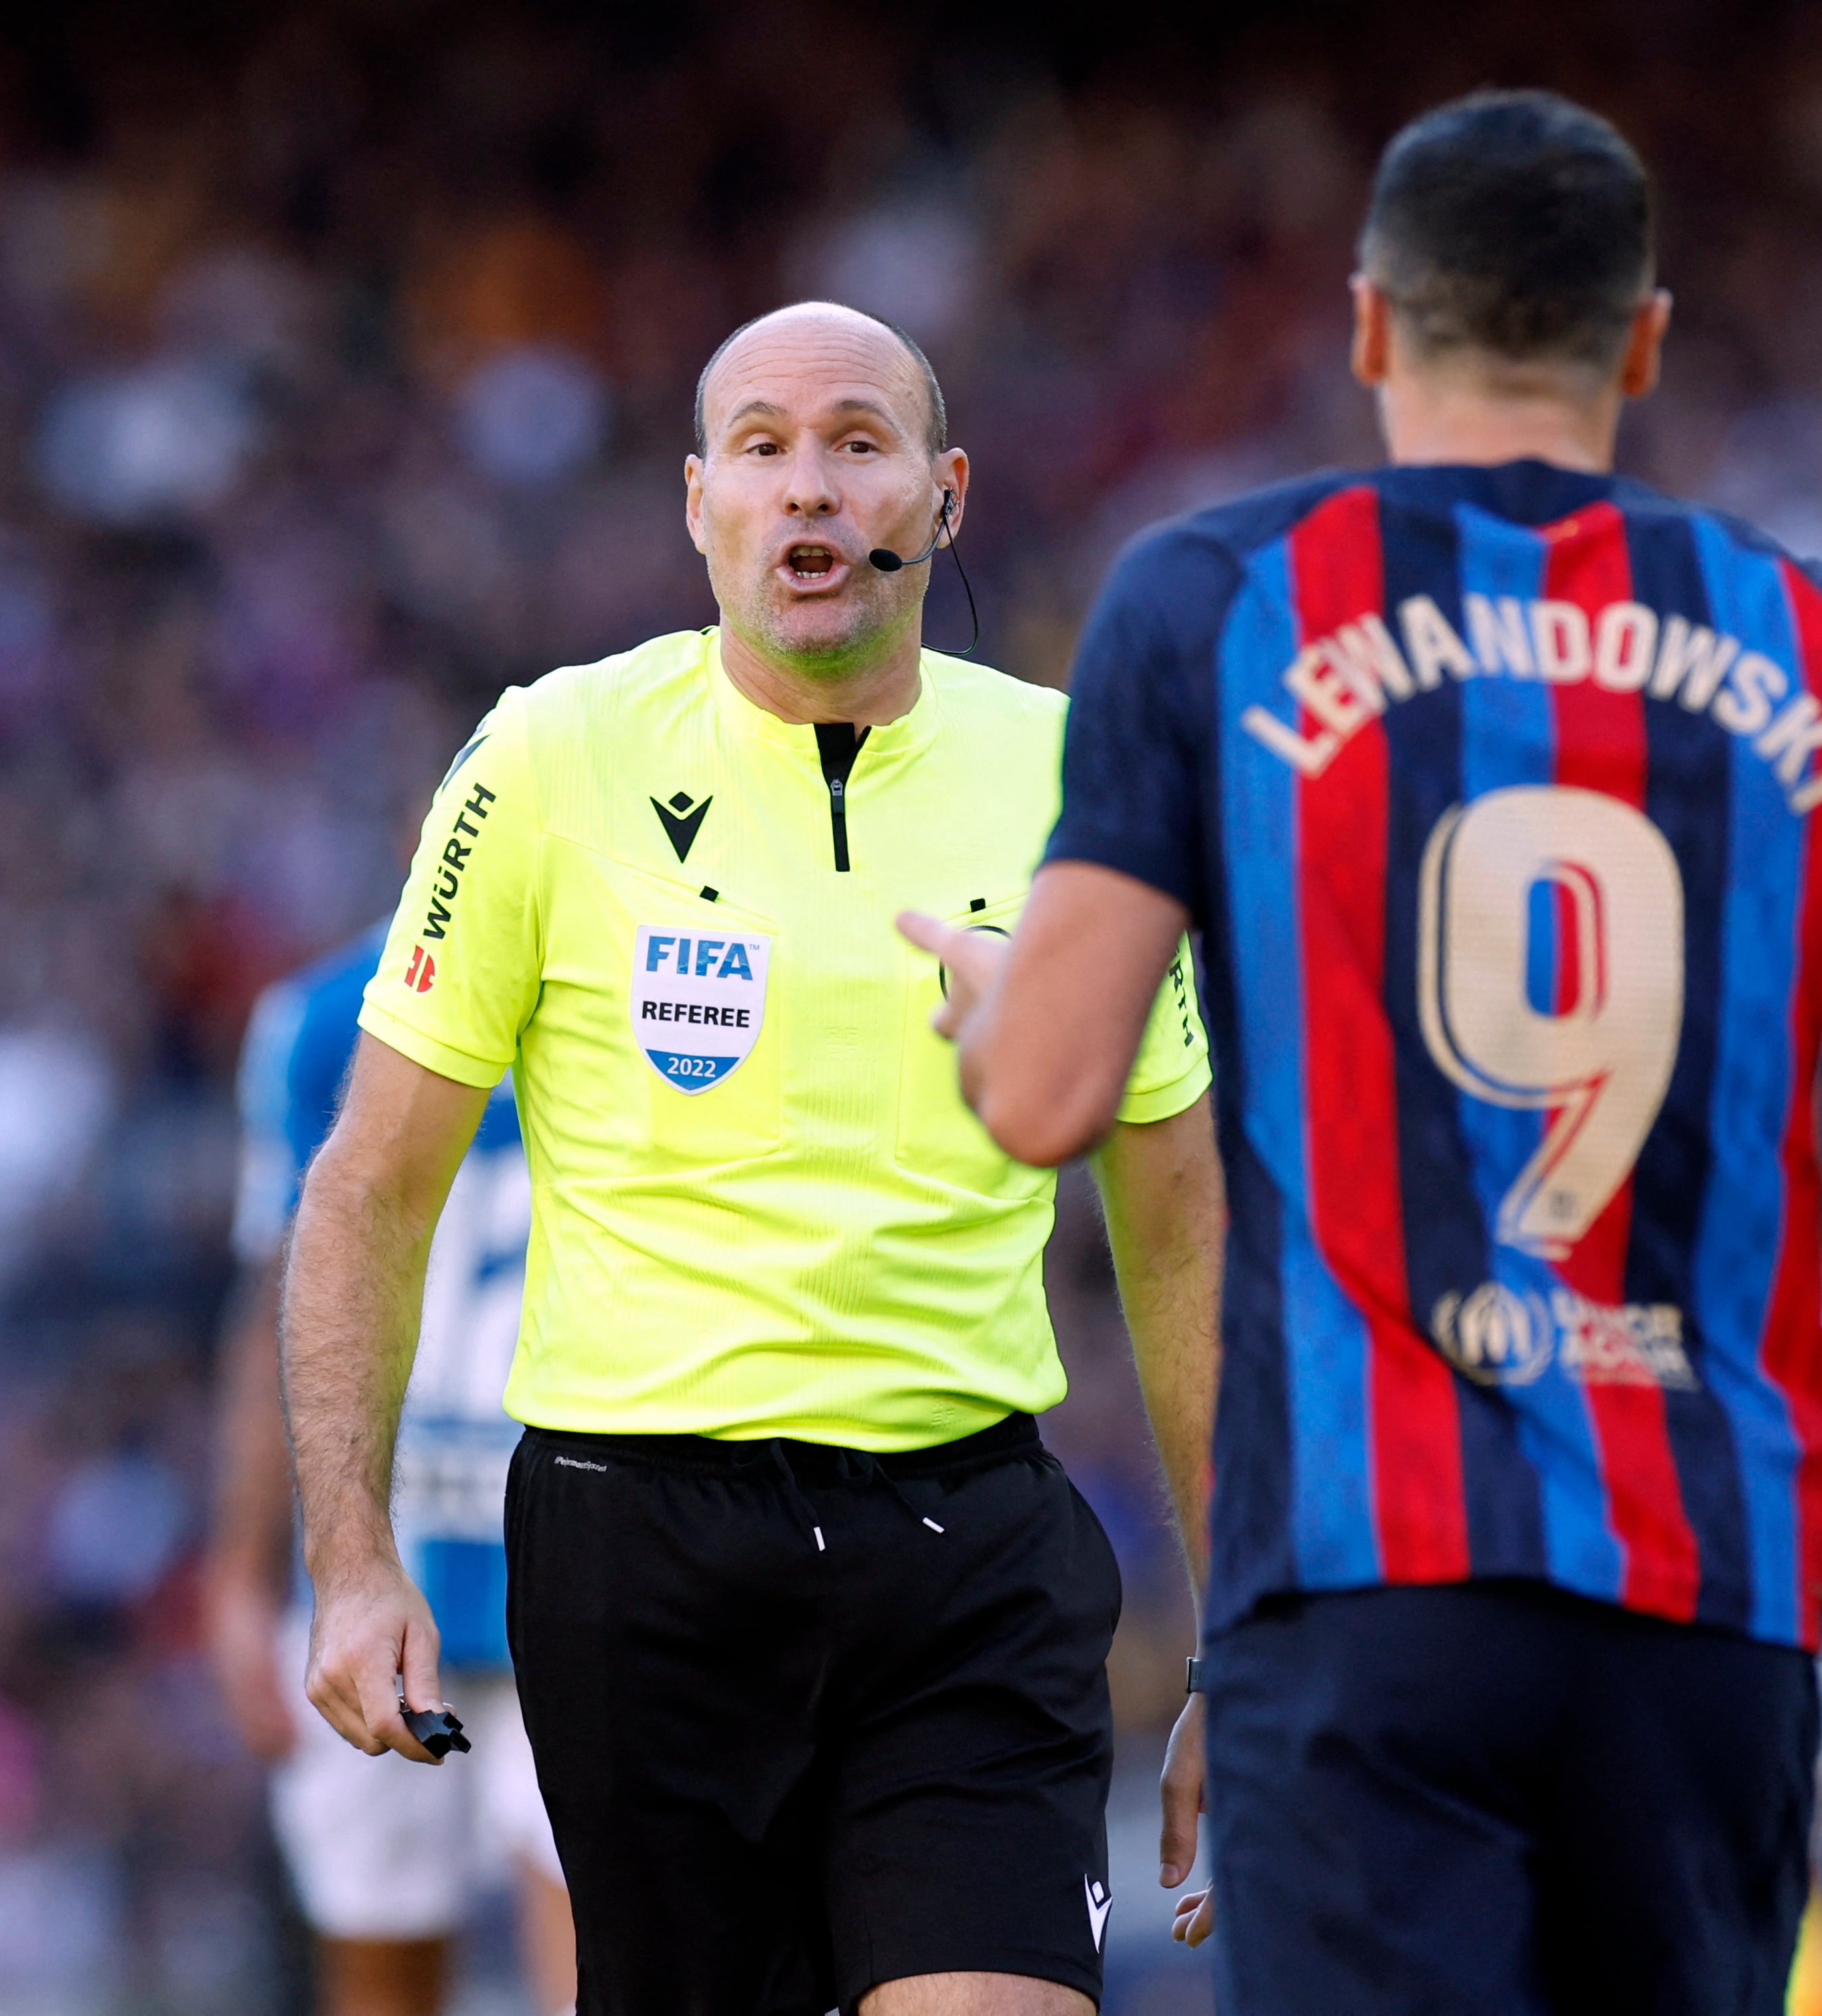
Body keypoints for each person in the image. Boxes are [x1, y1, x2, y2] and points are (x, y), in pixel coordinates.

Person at [905, 89, 1822, 2015]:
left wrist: (990, 991)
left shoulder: (1208, 601)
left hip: (1369, 1576)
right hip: (1702, 1578)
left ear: (1368, 324)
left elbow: (1042, 1094)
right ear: (1640, 339)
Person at [279, 300, 1223, 2016]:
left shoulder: (1081, 772)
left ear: (941, 498)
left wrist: (1247, 1632)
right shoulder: (548, 756)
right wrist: (348, 1566)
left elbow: (1180, 1232)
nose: (812, 493)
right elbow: (368, 1187)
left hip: (967, 1548)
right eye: (767, 452)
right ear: (698, 502)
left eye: (858, 445)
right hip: (641, 1550)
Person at [208, 923, 576, 2016]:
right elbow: (276, 1292)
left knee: (598, 1954)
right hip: (385, 1554)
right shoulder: (324, 1015)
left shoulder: (615, 986)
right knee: (378, 1962)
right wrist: (237, 1571)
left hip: (569, 1569)